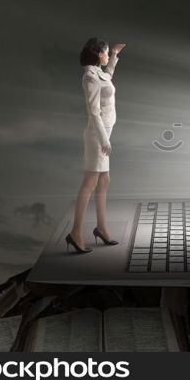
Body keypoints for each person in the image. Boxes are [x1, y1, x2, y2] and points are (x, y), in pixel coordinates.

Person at [66, 37, 126, 253]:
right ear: (98, 53)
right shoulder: (89, 77)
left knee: (104, 181)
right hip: (96, 136)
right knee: (90, 183)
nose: (107, 55)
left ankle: (101, 227)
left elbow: (108, 76)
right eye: (106, 52)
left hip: (105, 133)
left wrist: (114, 56)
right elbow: (93, 112)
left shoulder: (99, 73)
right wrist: (104, 139)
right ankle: (75, 232)